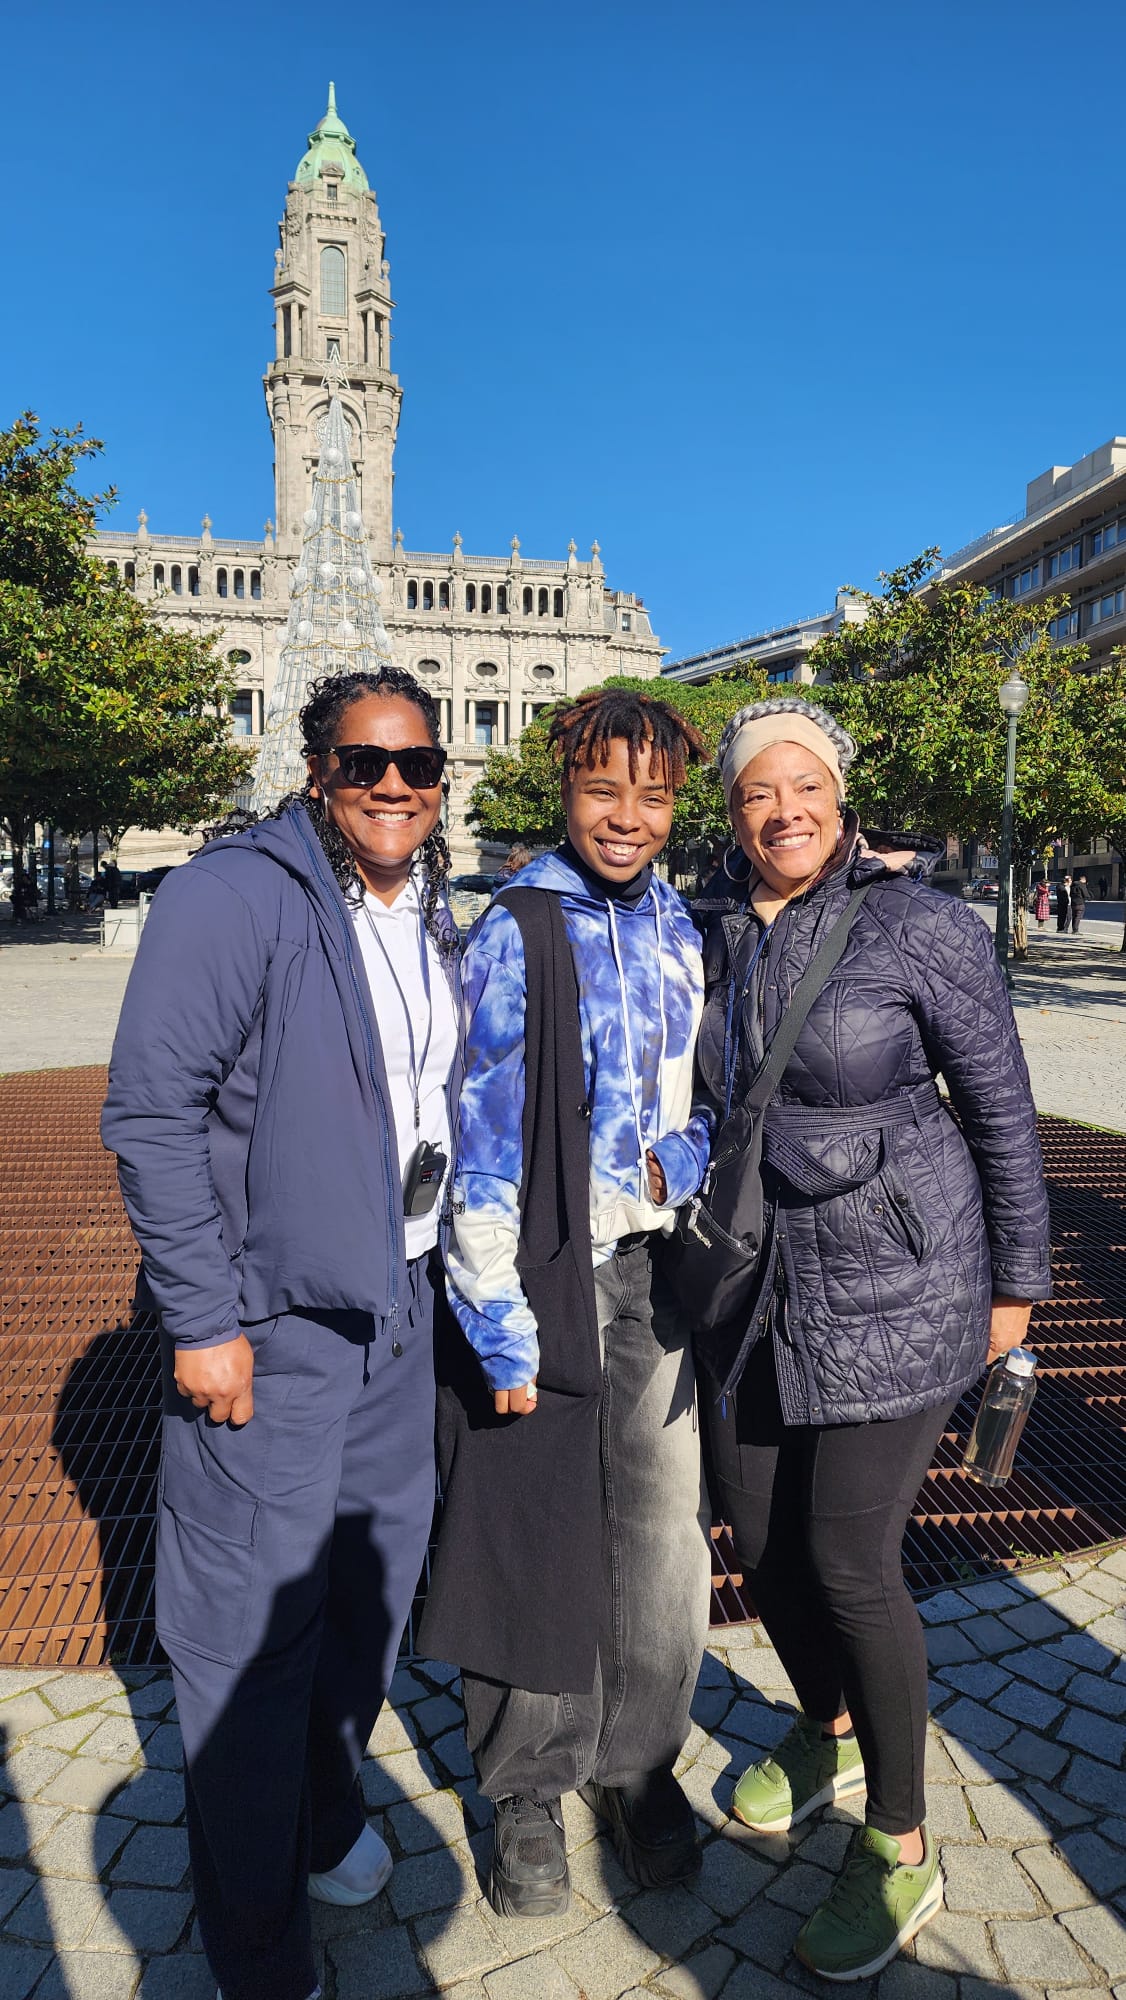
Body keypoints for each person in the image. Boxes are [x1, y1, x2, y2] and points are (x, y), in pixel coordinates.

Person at [101, 667, 459, 2000]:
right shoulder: (231, 894)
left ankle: (318, 1818)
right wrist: (202, 1318)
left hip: (399, 1315)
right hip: (272, 1331)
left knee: (364, 1606)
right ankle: (256, 1949)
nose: (391, 786)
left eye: (416, 766)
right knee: (249, 1639)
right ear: (316, 771)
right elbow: (151, 1117)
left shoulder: (425, 909)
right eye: (363, 763)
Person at [691, 696, 1051, 1983]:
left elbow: (1002, 1110)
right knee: (747, 1520)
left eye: (801, 784)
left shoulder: (921, 921)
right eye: (752, 792)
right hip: (754, 1282)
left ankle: (900, 1841)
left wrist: (1017, 1282)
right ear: (729, 812)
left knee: (847, 1555)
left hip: (902, 1278)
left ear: (837, 793)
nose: (780, 809)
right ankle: (829, 1721)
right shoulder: (710, 926)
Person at [420, 687, 714, 1917]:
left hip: (653, 1274)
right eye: (605, 788)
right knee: (533, 1529)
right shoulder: (517, 925)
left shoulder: (680, 927)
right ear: (566, 786)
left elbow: (701, 1097)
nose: (628, 816)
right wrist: (495, 1313)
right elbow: (480, 1131)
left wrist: (684, 1160)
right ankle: (528, 1785)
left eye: (651, 793)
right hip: (540, 1270)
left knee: (657, 1540)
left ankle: (639, 1762)